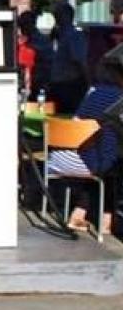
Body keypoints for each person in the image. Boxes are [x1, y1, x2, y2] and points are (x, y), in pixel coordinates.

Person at [47, 53, 121, 236]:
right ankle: (106, 221)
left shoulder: (94, 92)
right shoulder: (119, 98)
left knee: (103, 162)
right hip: (87, 164)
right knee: (113, 167)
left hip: (59, 159)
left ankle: (79, 214)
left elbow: (75, 121)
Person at [49, 2, 89, 114]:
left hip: (69, 85)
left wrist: (88, 82)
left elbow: (80, 61)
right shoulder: (58, 36)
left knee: (68, 115)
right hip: (57, 85)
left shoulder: (74, 35)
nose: (56, 18)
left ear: (67, 15)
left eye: (58, 14)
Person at [18, 10, 52, 101]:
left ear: (33, 23)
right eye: (21, 24)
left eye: (26, 23)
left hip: (39, 83)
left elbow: (48, 62)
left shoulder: (42, 40)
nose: (23, 27)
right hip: (22, 83)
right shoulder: (19, 42)